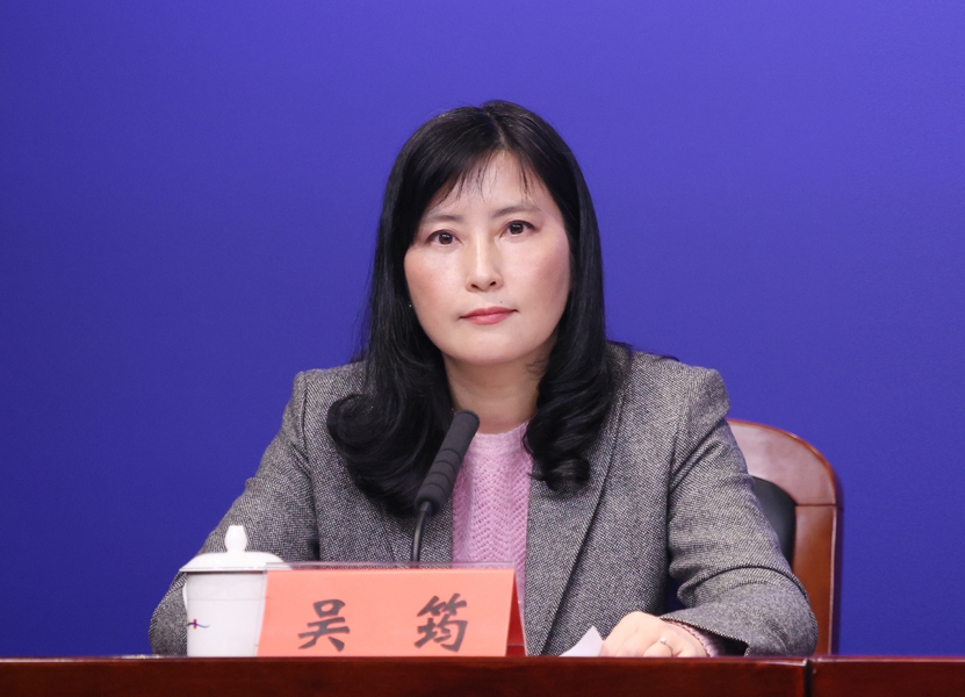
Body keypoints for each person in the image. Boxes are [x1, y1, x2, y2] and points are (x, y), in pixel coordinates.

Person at [149, 100, 817, 657]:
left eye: (516, 228)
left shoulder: (665, 411)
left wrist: (685, 638)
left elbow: (770, 603)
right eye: (443, 237)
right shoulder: (329, 416)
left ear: (575, 250)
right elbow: (180, 620)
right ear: (403, 273)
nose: (481, 272)